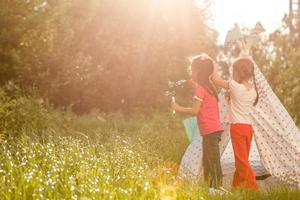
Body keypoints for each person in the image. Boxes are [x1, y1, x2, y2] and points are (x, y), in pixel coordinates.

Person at [172, 55, 223, 189]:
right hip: (212, 131)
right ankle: (211, 188)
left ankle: (217, 189)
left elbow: (195, 111)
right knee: (208, 161)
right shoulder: (209, 86)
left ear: (199, 72)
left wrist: (178, 108)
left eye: (192, 70)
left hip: (210, 131)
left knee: (212, 162)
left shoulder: (201, 88)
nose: (190, 72)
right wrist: (195, 83)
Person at [212, 53, 259, 191]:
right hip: (249, 129)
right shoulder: (253, 90)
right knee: (242, 160)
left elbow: (216, 80)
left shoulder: (235, 86)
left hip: (238, 128)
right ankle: (235, 189)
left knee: (242, 162)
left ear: (237, 72)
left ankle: (255, 191)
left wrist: (214, 65)